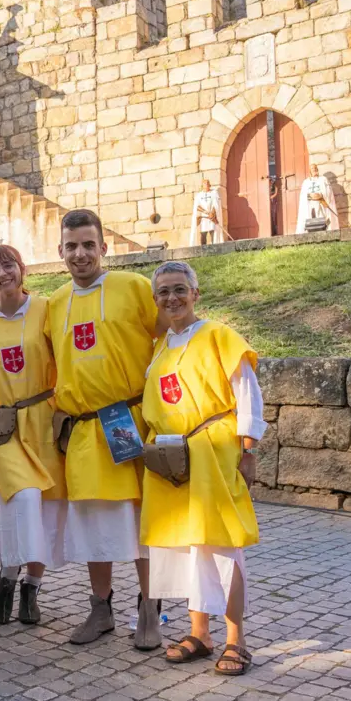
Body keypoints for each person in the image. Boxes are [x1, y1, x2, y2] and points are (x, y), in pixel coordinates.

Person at [45, 209, 165, 650]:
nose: (80, 254)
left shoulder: (132, 287)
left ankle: (150, 609)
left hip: (126, 422)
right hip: (82, 429)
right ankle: (101, 609)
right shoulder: (55, 303)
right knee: (94, 523)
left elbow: (169, 338)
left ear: (103, 247)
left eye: (88, 245)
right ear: (61, 251)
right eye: (72, 246)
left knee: (139, 520)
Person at [141, 261, 264, 676]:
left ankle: (236, 640)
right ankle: (200, 634)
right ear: (155, 300)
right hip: (170, 458)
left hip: (213, 451)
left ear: (195, 294)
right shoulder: (160, 347)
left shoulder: (218, 336)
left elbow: (246, 393)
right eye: (163, 292)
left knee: (222, 544)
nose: (172, 298)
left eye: (179, 289)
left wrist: (248, 450)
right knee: (187, 548)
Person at [0, 245, 67, 626]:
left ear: (21, 268)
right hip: (2, 424)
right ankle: (9, 573)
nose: (2, 274)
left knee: (45, 507)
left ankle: (31, 587)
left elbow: (66, 356)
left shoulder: (46, 308)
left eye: (7, 265)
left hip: (42, 417)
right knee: (22, 498)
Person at [296, 164, 339, 233]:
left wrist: (321, 195)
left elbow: (329, 191)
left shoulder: (323, 179)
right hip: (310, 205)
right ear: (310, 171)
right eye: (312, 168)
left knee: (323, 219)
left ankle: (325, 231)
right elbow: (303, 195)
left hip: (321, 203)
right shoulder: (306, 182)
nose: (314, 169)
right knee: (311, 218)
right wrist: (310, 196)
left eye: (315, 168)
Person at [189, 179, 223, 246]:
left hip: (212, 217)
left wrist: (212, 213)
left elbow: (216, 204)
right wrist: (205, 212)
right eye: (204, 184)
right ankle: (203, 249)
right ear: (202, 186)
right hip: (203, 218)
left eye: (207, 183)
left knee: (213, 232)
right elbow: (197, 206)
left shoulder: (214, 193)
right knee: (203, 234)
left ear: (210, 185)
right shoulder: (199, 195)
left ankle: (214, 247)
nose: (206, 185)